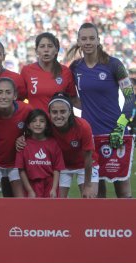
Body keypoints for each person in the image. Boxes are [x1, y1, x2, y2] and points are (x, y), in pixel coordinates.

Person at [67, 22, 135, 198]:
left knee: (123, 191)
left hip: (116, 132)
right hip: (90, 135)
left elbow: (129, 97)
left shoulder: (114, 64)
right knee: (98, 193)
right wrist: (88, 108)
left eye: (91, 38)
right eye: (84, 38)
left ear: (98, 40)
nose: (88, 42)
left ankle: (127, 225)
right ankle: (100, 227)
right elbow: (69, 97)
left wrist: (120, 126)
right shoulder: (75, 67)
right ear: (78, 41)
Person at [17, 92, 99, 198]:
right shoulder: (47, 123)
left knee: (90, 197)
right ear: (49, 113)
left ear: (70, 112)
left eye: (63, 111)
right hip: (62, 166)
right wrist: (22, 138)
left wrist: (88, 185)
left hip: (85, 165)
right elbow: (33, 129)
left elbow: (88, 157)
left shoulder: (83, 126)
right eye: (54, 112)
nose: (58, 116)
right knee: (57, 201)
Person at [0, 77, 32, 197]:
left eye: (8, 92)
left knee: (21, 201)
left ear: (15, 96)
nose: (3, 96)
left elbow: (37, 131)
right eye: (0, 92)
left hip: (16, 163)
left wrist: (25, 138)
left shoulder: (26, 110)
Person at [20, 32, 79, 114]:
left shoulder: (66, 72)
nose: (46, 50)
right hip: (37, 125)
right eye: (42, 46)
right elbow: (19, 99)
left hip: (58, 124)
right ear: (36, 51)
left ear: (56, 50)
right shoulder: (27, 71)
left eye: (50, 46)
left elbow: (73, 100)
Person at [15, 109, 65, 198]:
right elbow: (21, 170)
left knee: (49, 211)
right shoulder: (23, 144)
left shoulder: (53, 144)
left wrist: (53, 189)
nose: (38, 124)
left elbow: (57, 169)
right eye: (34, 121)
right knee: (32, 211)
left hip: (49, 185)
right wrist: (29, 190)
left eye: (42, 121)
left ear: (46, 125)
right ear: (28, 125)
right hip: (31, 185)